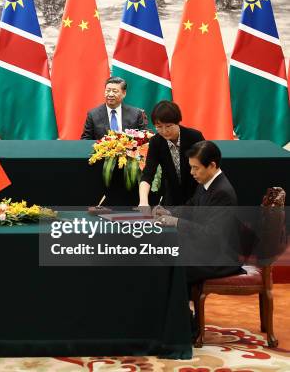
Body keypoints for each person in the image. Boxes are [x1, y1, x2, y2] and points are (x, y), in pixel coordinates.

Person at [155, 141, 244, 284]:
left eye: (196, 168)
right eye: (191, 168)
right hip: (208, 250)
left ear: (212, 165)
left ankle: (178, 304)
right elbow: (191, 207)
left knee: (168, 258)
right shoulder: (207, 183)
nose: (192, 173)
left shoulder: (222, 193)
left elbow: (211, 234)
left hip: (220, 259)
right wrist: (169, 212)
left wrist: (176, 222)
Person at [139, 101, 205, 207]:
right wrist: (143, 202)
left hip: (196, 195)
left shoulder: (194, 137)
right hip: (172, 197)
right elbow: (148, 174)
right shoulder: (156, 142)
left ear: (177, 122)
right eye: (159, 126)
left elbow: (205, 168)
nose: (164, 131)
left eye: (168, 126)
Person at [80, 76, 147, 140]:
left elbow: (144, 137)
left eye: (114, 91)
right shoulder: (93, 114)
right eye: (108, 91)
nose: (110, 94)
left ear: (124, 93)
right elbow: (86, 139)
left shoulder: (136, 114)